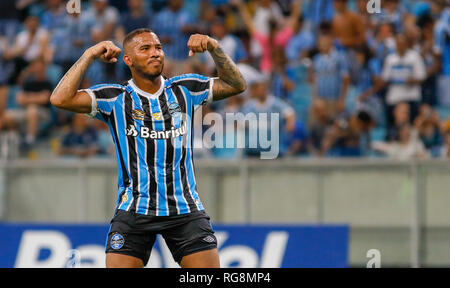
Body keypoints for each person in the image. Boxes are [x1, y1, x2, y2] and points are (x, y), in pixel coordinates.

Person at [50, 28, 246, 268]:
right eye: (145, 49)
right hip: (135, 210)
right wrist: (89, 54)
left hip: (184, 209)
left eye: (158, 48)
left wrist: (215, 49)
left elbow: (236, 85)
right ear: (128, 60)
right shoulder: (115, 97)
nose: (155, 53)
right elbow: (60, 99)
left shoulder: (186, 88)